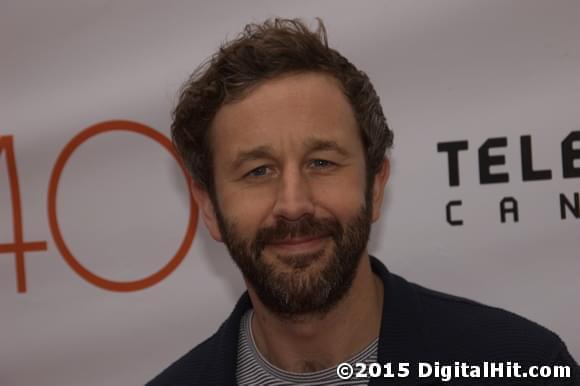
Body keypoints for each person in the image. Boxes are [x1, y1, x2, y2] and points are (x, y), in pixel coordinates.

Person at [148, 18, 578, 385]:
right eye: (258, 170)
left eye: (321, 162)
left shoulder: (520, 365)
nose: (294, 204)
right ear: (208, 207)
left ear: (375, 185)